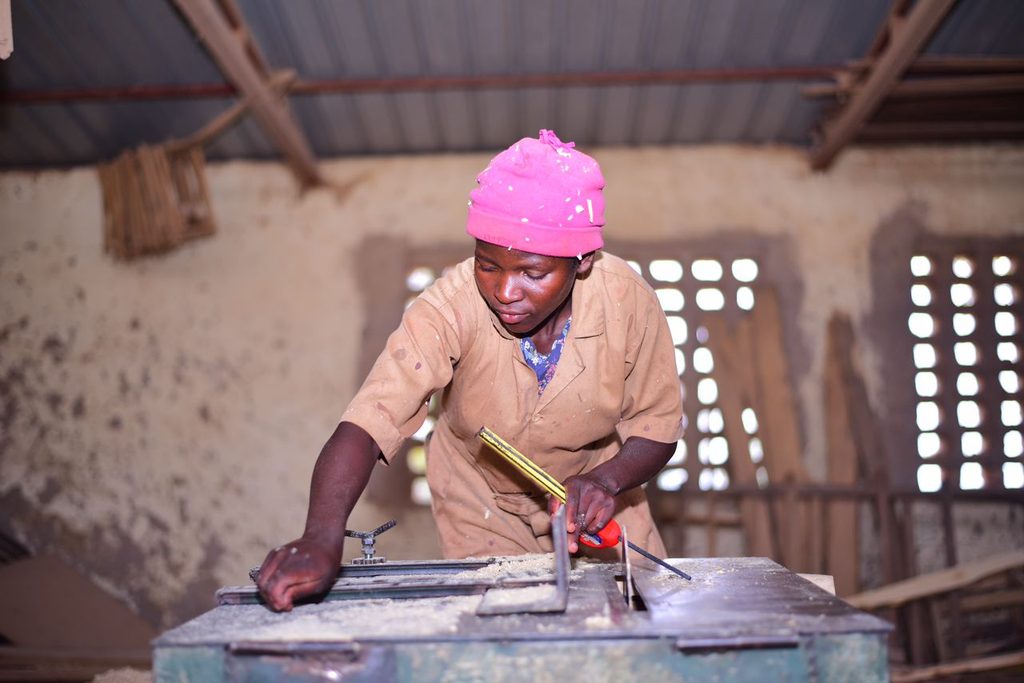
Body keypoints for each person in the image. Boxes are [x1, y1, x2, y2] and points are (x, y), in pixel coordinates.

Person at [257, 129, 684, 611]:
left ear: (581, 262)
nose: (505, 291)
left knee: (634, 618)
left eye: (533, 273)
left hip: (598, 493)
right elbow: (370, 420)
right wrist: (321, 536)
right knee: (512, 633)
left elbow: (657, 427)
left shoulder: (626, 301)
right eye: (488, 266)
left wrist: (607, 481)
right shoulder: (449, 307)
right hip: (480, 498)